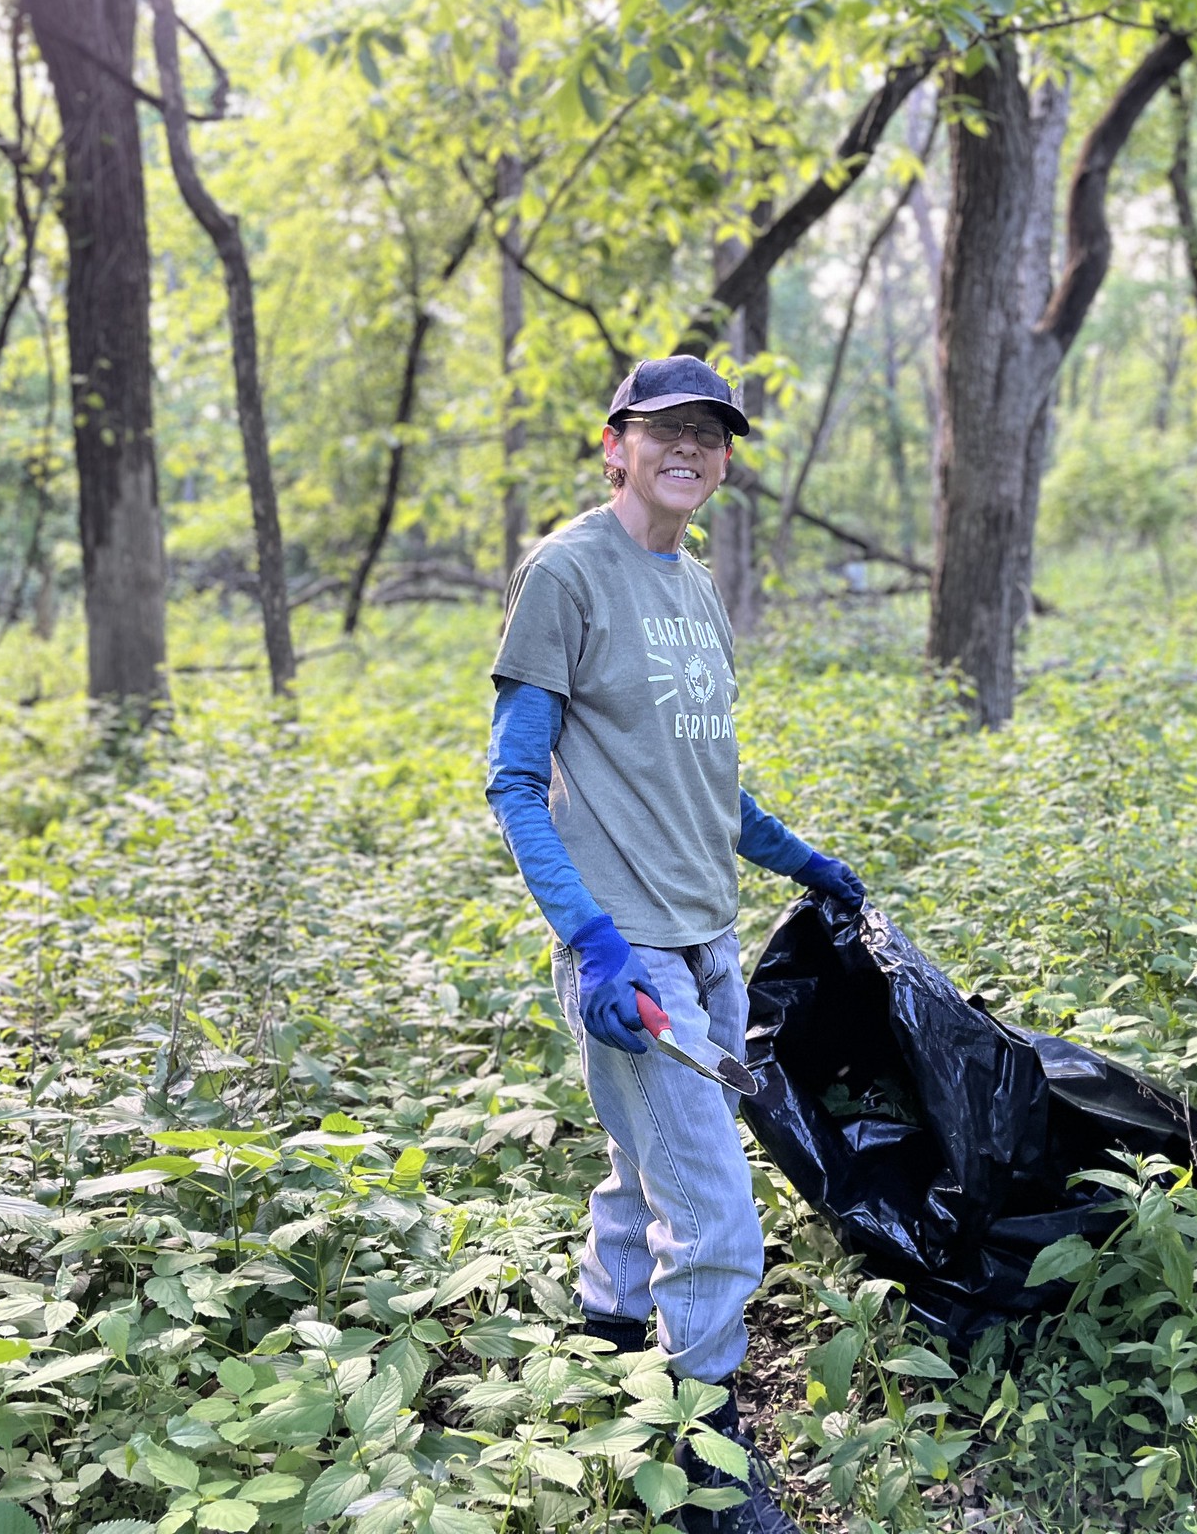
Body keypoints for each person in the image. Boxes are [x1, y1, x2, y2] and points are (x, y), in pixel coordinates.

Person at [485, 356, 865, 1534]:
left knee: (641, 1167)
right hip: (627, 950)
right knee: (711, 1205)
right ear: (615, 445)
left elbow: (709, 784)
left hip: (706, 935)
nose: (689, 448)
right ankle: (704, 1470)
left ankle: (604, 1343)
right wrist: (590, 943)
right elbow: (511, 781)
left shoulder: (694, 588)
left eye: (709, 432)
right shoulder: (566, 573)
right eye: (665, 430)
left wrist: (801, 861)